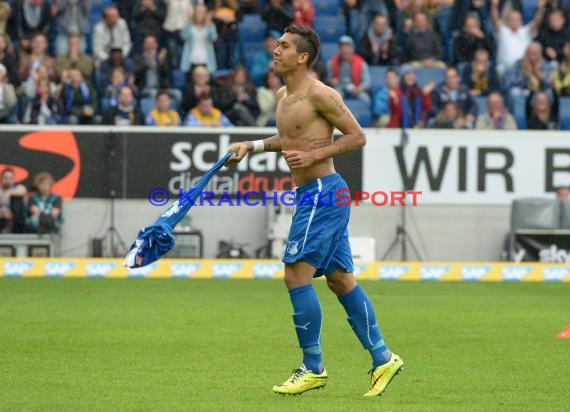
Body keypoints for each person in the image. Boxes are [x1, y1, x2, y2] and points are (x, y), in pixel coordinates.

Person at [225, 24, 403, 397]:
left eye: (284, 46)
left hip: (323, 192)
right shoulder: (282, 94)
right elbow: (290, 140)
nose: (276, 50)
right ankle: (383, 357)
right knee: (340, 280)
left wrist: (314, 154)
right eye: (277, 44)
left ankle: (313, 367)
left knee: (294, 275)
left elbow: (358, 137)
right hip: (316, 193)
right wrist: (252, 146)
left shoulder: (321, 94)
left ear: (302, 57)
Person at [490, 0, 546, 76]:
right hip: (504, 69)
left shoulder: (526, 31)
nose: (514, 22)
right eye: (512, 20)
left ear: (521, 21)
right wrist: (494, 5)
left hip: (523, 69)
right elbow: (495, 19)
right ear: (507, 21)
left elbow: (537, 21)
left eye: (517, 19)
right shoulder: (503, 31)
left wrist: (540, 7)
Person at [327, 35, 371, 103]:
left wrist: (358, 89)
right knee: (335, 98)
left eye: (347, 47)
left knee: (366, 99)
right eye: (342, 47)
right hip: (339, 88)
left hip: (356, 88)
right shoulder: (331, 62)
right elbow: (327, 80)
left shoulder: (361, 62)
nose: (344, 50)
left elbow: (367, 81)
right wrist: (331, 82)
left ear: (352, 48)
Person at [0, 167, 27, 233]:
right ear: (1, 178)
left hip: (15, 220)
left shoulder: (18, 187)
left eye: (10, 178)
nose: (8, 180)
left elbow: (22, 190)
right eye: (5, 178)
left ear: (14, 179)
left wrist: (9, 193)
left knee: (17, 200)